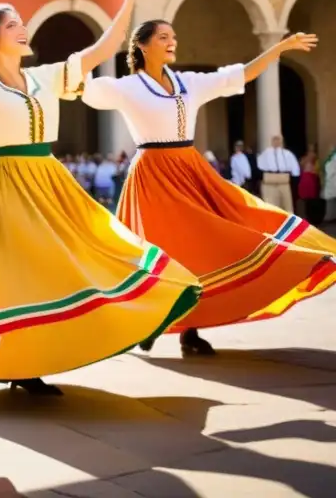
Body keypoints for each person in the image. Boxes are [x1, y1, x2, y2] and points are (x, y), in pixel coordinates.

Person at [0, 0, 199, 396]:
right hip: (7, 186)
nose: (23, 30)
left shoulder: (48, 76)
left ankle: (117, 322)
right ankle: (20, 364)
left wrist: (128, 1)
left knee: (91, 252)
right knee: (17, 275)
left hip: (49, 179)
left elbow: (104, 48)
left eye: (22, 24)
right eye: (12, 26)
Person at [82, 21, 335, 355]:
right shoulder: (128, 87)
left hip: (190, 170)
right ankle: (150, 322)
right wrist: (84, 58)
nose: (173, 41)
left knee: (204, 244)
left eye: (173, 36)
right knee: (159, 253)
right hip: (153, 175)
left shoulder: (189, 83)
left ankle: (190, 328)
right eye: (164, 37)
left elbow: (240, 74)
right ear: (142, 46)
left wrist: (279, 49)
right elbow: (85, 89)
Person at [257, 136, 300, 213]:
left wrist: (295, 176)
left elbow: (294, 166)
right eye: (274, 140)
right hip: (269, 179)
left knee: (286, 204)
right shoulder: (266, 153)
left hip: (283, 179)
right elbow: (259, 166)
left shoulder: (287, 153)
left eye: (278, 140)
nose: (276, 142)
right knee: (270, 205)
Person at [298, 144, 325, 227]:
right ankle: (309, 217)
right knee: (307, 200)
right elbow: (301, 166)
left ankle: (313, 218)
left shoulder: (315, 158)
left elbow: (317, 169)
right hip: (305, 179)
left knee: (312, 199)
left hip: (311, 179)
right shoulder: (304, 159)